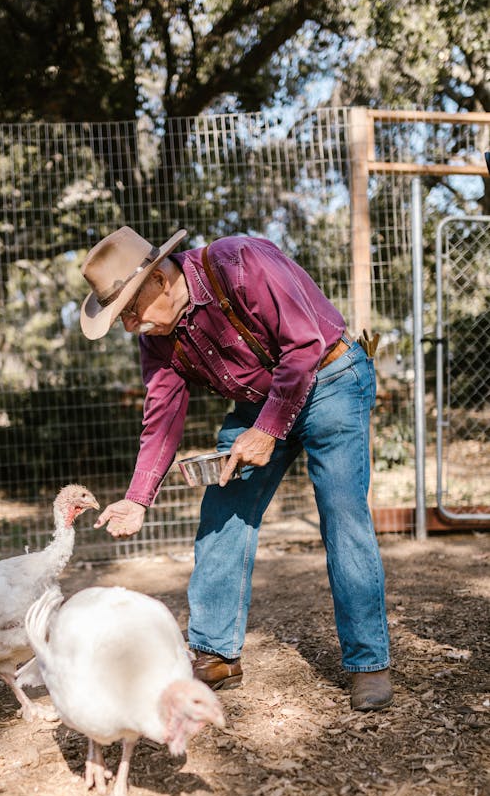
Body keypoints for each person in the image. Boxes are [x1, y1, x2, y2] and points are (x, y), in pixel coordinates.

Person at [79, 226, 392, 712]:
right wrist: (138, 497)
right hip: (259, 403)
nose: (129, 327)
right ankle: (215, 655)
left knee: (342, 514)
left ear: (160, 280)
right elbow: (161, 415)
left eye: (130, 312)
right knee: (223, 511)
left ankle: (368, 662)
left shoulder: (240, 262)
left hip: (331, 379)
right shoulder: (158, 338)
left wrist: (268, 430)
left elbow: (305, 344)